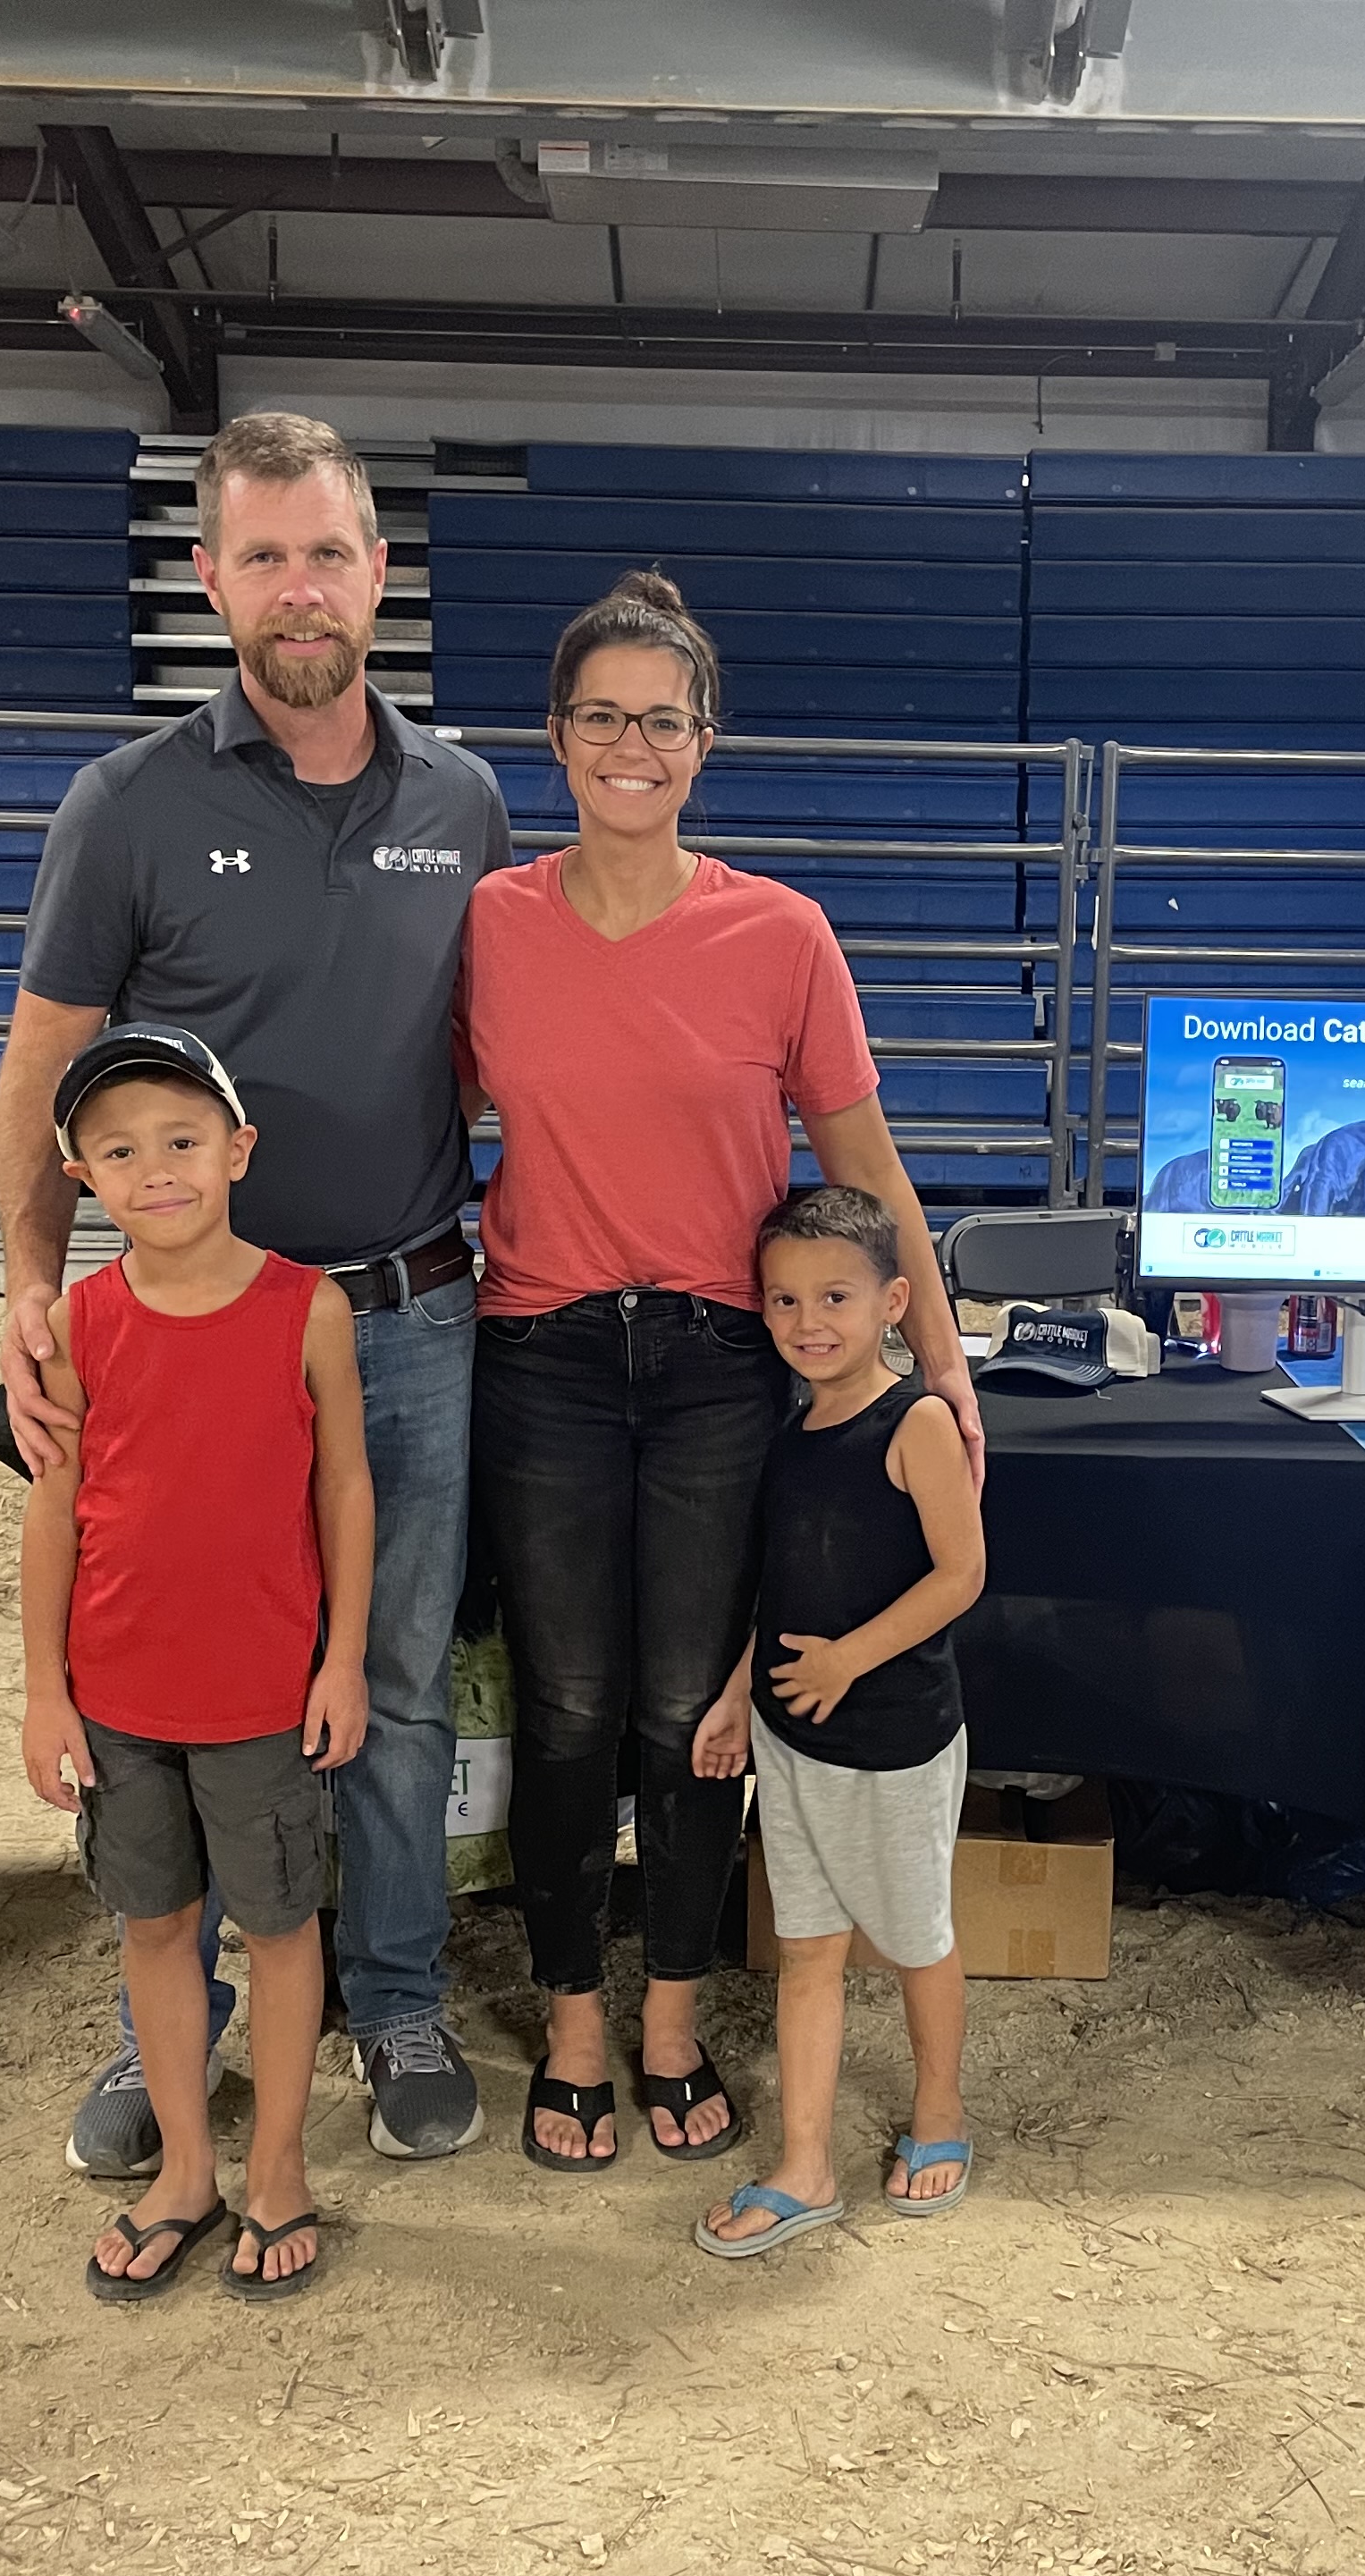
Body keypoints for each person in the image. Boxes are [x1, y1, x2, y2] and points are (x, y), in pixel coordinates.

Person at [0, 412, 502, 2173]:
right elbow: (39, 1069)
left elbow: (495, 1050)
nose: (300, 587)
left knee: (398, 1680)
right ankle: (175, 2016)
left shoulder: (464, 801)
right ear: (211, 580)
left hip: (411, 1314)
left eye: (328, 552)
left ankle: (398, 1994)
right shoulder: (128, 806)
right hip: (194, 1334)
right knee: (178, 1682)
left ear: (379, 573)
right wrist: (31, 1287)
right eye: (264, 555)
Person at [452, 571, 985, 2177]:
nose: (632, 745)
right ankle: (572, 2023)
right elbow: (409, 1122)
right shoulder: (490, 925)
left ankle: (672, 2019)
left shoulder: (780, 934)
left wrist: (940, 1359)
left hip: (712, 1364)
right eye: (601, 716)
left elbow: (864, 1163)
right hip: (541, 1351)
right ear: (556, 737)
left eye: (662, 720)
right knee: (564, 1708)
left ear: (704, 743)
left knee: (693, 1712)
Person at [20, 1024, 364, 2302]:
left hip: (264, 1698)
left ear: (238, 1150)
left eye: (181, 1141)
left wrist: (341, 1661)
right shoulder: (78, 1322)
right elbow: (55, 1510)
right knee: (157, 1924)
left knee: (278, 1926)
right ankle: (185, 2169)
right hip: (119, 1701)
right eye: (119, 1152)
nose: (155, 1170)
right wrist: (46, 1691)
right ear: (81, 1177)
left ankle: (277, 2165)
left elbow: (345, 1489)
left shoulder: (307, 1308)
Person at [686, 1187, 987, 2257]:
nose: (808, 1321)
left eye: (835, 1297)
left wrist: (852, 1659)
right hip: (790, 1740)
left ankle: (941, 2111)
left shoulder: (916, 1424)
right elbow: (773, 1589)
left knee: (915, 1939)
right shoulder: (787, 1433)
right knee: (807, 1950)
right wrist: (738, 1694)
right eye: (784, 1300)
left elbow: (961, 1574)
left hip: (893, 1744)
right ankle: (805, 2164)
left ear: (893, 1302)